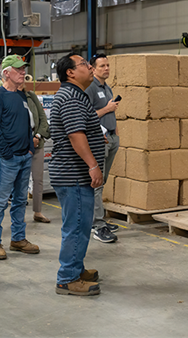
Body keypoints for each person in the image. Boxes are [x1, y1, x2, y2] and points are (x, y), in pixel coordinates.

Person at [49, 53, 105, 296]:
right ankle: (67, 279)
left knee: (79, 224)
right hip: (74, 175)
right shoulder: (71, 97)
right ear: (70, 72)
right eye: (84, 64)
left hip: (73, 174)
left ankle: (76, 268)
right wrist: (93, 165)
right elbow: (75, 134)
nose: (90, 67)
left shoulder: (75, 95)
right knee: (76, 226)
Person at [0, 55, 39, 260]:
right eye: (18, 69)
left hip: (24, 157)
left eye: (23, 69)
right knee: (1, 201)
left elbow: (27, 124)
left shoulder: (21, 96)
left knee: (20, 200)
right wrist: (7, 153)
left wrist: (29, 149)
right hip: (7, 159)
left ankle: (18, 239)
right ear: (6, 73)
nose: (23, 72)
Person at [85, 53, 120, 243]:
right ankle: (96, 224)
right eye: (102, 66)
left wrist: (116, 133)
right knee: (96, 183)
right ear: (92, 68)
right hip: (100, 140)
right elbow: (87, 116)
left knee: (102, 181)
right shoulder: (90, 88)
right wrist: (106, 109)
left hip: (112, 138)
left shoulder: (107, 87)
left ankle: (99, 219)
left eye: (107, 65)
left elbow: (112, 112)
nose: (106, 69)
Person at [23, 84, 51, 223]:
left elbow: (43, 119)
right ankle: (19, 215)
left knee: (38, 179)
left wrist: (38, 136)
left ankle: (38, 212)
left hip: (37, 143)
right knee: (20, 181)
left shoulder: (31, 96)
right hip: (21, 145)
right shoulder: (10, 97)